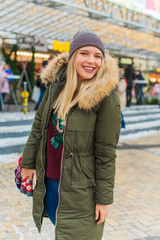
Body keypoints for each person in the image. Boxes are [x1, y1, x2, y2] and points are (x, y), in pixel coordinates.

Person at [20, 30, 121, 240]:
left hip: (82, 192)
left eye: (98, 56)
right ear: (74, 55)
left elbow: (106, 153)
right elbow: (38, 128)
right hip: (50, 184)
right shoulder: (56, 86)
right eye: (85, 53)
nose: (91, 61)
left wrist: (103, 200)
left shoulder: (106, 98)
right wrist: (28, 163)